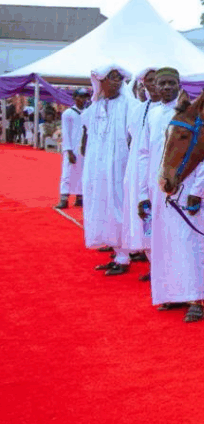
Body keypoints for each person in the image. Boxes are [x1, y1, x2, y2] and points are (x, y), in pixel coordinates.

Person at [137, 68, 204, 322]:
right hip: (158, 187)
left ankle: (195, 297)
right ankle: (172, 293)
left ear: (180, 85)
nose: (167, 87)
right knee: (165, 242)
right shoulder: (153, 114)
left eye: (172, 83)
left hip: (187, 186)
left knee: (188, 241)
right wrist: (142, 192)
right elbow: (143, 153)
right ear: (155, 87)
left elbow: (203, 154)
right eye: (163, 83)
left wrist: (197, 191)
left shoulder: (190, 112)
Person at [80, 65, 135, 276]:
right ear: (100, 82)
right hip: (98, 167)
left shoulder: (129, 105)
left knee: (119, 206)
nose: (115, 82)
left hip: (119, 166)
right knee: (102, 205)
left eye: (119, 78)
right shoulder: (95, 106)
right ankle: (117, 251)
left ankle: (124, 257)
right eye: (111, 78)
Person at [122, 67, 158, 280]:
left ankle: (162, 267)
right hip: (137, 171)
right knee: (143, 218)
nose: (152, 85)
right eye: (148, 81)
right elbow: (132, 140)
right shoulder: (137, 110)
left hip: (158, 172)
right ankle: (153, 264)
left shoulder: (170, 109)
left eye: (156, 80)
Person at [55, 88, 90, 209]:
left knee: (82, 173)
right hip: (72, 148)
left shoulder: (88, 112)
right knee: (67, 173)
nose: (82, 100)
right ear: (74, 98)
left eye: (84, 97)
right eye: (80, 97)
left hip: (84, 148)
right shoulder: (68, 113)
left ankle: (80, 196)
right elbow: (66, 133)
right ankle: (64, 198)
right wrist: (68, 150)